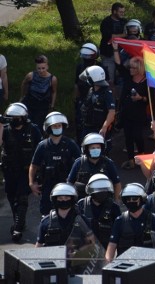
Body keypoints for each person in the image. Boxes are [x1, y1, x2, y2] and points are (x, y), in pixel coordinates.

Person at [1, 102, 43, 241]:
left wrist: (39, 173)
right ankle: (19, 221)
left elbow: (40, 149)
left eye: (16, 117)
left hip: (25, 170)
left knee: (22, 198)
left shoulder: (33, 130)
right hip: (9, 170)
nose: (14, 120)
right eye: (11, 118)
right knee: (12, 197)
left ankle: (18, 228)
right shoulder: (6, 130)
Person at [30, 112, 82, 215]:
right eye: (54, 126)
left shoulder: (70, 144)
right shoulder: (42, 146)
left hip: (67, 184)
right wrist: (31, 183)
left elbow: (81, 162)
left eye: (59, 125)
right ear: (49, 127)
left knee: (69, 212)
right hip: (47, 184)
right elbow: (34, 165)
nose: (57, 128)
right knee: (46, 213)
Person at [105, 183, 155, 262]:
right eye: (128, 199)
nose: (131, 201)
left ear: (142, 199)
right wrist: (107, 265)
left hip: (147, 265)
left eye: (134, 199)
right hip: (124, 266)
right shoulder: (120, 221)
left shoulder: (154, 219)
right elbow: (111, 246)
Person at [35, 183, 95, 248]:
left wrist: (79, 251)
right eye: (60, 198)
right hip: (53, 257)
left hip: (76, 257)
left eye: (67, 197)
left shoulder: (83, 221)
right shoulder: (46, 222)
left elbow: (91, 243)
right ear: (55, 200)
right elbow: (39, 246)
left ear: (72, 199)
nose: (63, 200)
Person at [68, 133, 121, 199]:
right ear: (86, 149)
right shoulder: (79, 163)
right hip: (82, 201)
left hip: (104, 201)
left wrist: (117, 203)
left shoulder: (108, 163)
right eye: (92, 148)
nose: (95, 150)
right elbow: (69, 183)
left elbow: (117, 184)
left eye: (98, 147)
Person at [77, 173, 121, 249]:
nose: (101, 194)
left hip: (106, 248)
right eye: (98, 191)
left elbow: (119, 230)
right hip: (85, 248)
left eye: (104, 191)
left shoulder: (114, 207)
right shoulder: (82, 204)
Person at [78, 65, 116, 143]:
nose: (87, 80)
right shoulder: (91, 90)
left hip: (99, 129)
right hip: (87, 127)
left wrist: (104, 127)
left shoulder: (107, 93)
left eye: (88, 78)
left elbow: (112, 112)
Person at [21, 55, 58, 128]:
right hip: (30, 103)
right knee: (27, 124)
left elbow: (54, 92)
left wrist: (52, 105)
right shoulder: (31, 75)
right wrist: (22, 96)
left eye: (43, 68)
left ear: (47, 67)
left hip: (42, 106)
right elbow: (23, 84)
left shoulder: (52, 79)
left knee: (39, 125)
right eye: (39, 68)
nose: (41, 70)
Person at [99, 2, 126, 87]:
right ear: (114, 12)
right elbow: (110, 36)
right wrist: (124, 35)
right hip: (108, 54)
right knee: (109, 78)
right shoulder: (106, 22)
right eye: (120, 12)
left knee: (122, 77)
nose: (122, 14)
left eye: (123, 12)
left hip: (121, 54)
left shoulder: (125, 22)